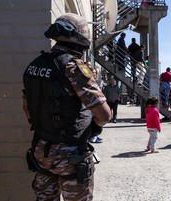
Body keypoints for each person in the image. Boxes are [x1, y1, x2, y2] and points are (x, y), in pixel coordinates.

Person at [22, 13, 111, 200]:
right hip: (70, 155)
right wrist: (93, 127)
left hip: (40, 150)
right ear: (79, 37)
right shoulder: (73, 67)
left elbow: (27, 109)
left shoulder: (34, 65)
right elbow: (104, 115)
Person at [88, 63, 104, 143]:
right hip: (90, 105)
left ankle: (94, 136)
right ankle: (91, 137)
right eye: (93, 73)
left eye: (95, 73)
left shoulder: (96, 82)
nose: (94, 74)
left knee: (96, 121)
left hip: (96, 104)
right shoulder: (88, 81)